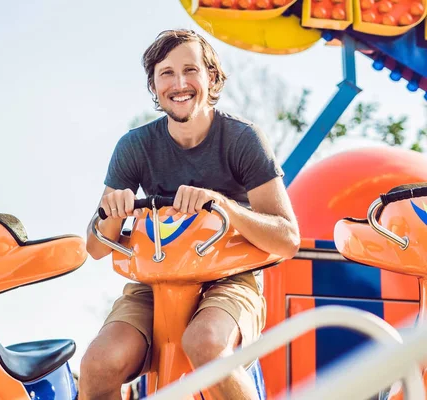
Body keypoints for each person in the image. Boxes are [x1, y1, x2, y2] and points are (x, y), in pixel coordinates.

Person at [79, 29, 300, 400]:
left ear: (211, 77)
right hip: (155, 284)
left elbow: (288, 238)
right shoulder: (135, 146)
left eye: (190, 70)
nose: (179, 83)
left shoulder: (243, 139)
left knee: (206, 344)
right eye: (166, 73)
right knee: (98, 364)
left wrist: (223, 205)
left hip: (230, 281)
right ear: (154, 84)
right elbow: (97, 248)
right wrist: (112, 214)